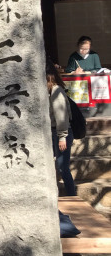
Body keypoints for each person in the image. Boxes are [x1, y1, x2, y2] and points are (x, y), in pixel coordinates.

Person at [47, 63, 77, 196]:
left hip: (61, 133)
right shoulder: (53, 91)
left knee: (62, 167)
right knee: (60, 166)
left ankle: (72, 195)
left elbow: (61, 116)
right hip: (56, 132)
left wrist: (62, 136)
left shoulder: (56, 91)